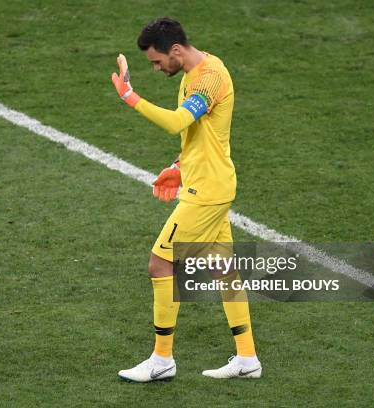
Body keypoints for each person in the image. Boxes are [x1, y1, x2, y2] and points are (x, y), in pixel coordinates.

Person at [111, 17, 262, 382]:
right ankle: (247, 358)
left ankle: (162, 360)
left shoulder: (210, 77)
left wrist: (131, 97)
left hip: (207, 194)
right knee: (224, 271)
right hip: (209, 184)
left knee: (160, 264)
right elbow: (200, 135)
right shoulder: (189, 77)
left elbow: (177, 122)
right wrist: (178, 166)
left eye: (157, 60)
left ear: (175, 50)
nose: (156, 67)